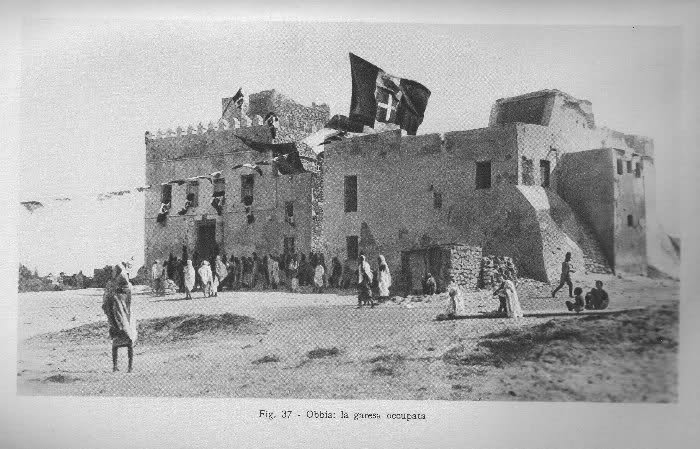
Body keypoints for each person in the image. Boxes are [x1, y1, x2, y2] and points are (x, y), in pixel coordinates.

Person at [102, 264, 137, 372]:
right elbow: (106, 298)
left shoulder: (124, 286)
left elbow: (126, 300)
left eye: (114, 271)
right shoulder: (113, 284)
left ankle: (127, 367)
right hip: (117, 318)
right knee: (119, 342)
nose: (113, 273)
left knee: (127, 341)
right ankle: (117, 366)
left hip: (123, 317)